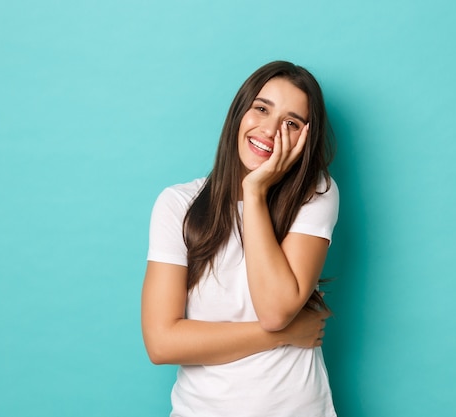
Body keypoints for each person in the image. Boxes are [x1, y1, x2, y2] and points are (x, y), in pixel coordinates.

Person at [141, 60, 339, 417]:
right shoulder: (178, 204)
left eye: (291, 123)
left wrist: (255, 192)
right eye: (261, 109)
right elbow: (161, 342)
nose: (269, 130)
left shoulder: (316, 193)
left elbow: (276, 309)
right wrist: (280, 336)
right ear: (239, 113)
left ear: (305, 138)